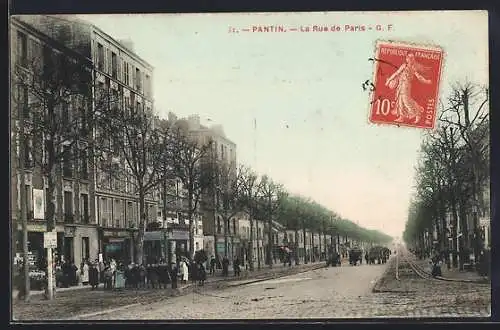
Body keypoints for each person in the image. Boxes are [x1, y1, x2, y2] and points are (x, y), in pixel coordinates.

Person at [385, 53, 432, 123]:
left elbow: (419, 77)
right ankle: (401, 117)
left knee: (406, 100)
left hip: (406, 85)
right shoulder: (404, 65)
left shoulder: (413, 67)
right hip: (400, 85)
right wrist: (389, 80)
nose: (410, 59)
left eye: (412, 58)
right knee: (400, 101)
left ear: (413, 59)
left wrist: (426, 81)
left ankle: (418, 113)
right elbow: (396, 73)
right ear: (406, 58)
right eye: (408, 57)